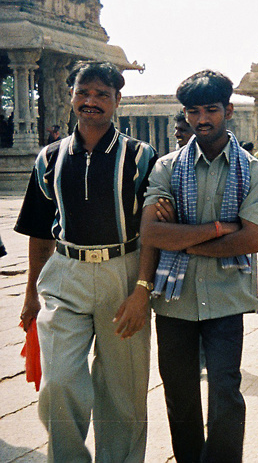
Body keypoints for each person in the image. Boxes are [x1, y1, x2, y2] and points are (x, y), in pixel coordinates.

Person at [15, 62, 157, 462]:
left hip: (123, 271)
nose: (91, 102)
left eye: (102, 95)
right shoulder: (50, 158)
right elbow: (40, 230)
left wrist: (142, 291)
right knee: (57, 383)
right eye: (84, 93)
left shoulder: (140, 157)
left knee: (123, 391)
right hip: (65, 273)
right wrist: (29, 294)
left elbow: (153, 233)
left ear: (117, 101)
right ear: (71, 95)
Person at [140, 70, 258, 462]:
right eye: (193, 112)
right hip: (174, 301)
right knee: (179, 395)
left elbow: (251, 240)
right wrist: (215, 230)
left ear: (228, 110)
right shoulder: (166, 166)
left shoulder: (253, 170)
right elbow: (150, 233)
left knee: (226, 394)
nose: (202, 119)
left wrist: (181, 235)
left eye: (211, 109)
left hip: (227, 298)